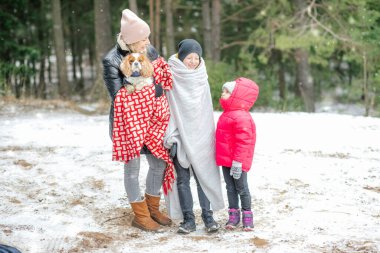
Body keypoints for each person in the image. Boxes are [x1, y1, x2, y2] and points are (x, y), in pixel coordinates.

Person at [102, 9, 174, 232]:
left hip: (152, 120)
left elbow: (160, 81)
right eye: (143, 39)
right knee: (132, 168)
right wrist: (152, 90)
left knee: (158, 163)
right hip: (128, 123)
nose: (148, 43)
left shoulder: (148, 50)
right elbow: (120, 96)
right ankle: (140, 215)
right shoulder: (111, 60)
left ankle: (152, 208)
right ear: (131, 41)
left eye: (147, 38)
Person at [164, 39, 224, 234]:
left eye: (195, 58)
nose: (192, 61)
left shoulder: (201, 77)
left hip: (200, 134)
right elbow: (169, 108)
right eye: (188, 57)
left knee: (202, 176)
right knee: (181, 180)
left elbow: (205, 109)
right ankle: (188, 219)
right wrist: (171, 134)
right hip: (179, 135)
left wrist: (206, 133)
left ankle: (208, 217)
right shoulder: (171, 75)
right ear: (181, 58)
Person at [215, 77, 259, 231]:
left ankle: (247, 215)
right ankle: (233, 215)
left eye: (226, 92)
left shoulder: (242, 117)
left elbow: (244, 141)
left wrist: (238, 162)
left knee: (241, 188)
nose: (222, 94)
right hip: (226, 160)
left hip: (237, 161)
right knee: (230, 187)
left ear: (236, 96)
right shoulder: (227, 114)